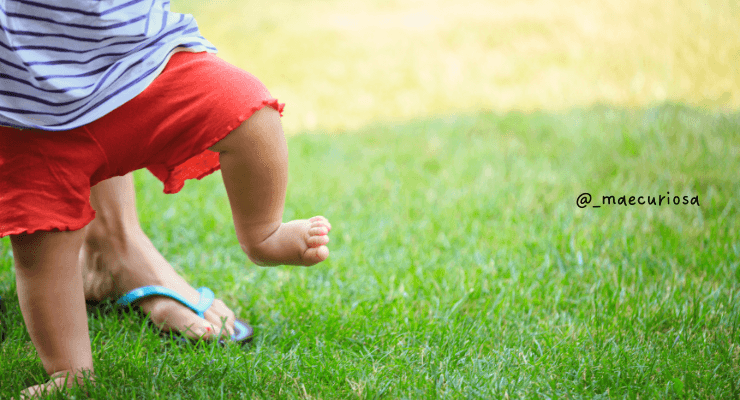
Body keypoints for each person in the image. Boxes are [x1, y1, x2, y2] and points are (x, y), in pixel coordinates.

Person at [0, 0, 332, 396]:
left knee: (249, 111)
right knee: (43, 247)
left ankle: (262, 234)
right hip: (35, 116)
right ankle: (70, 370)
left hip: (146, 64)